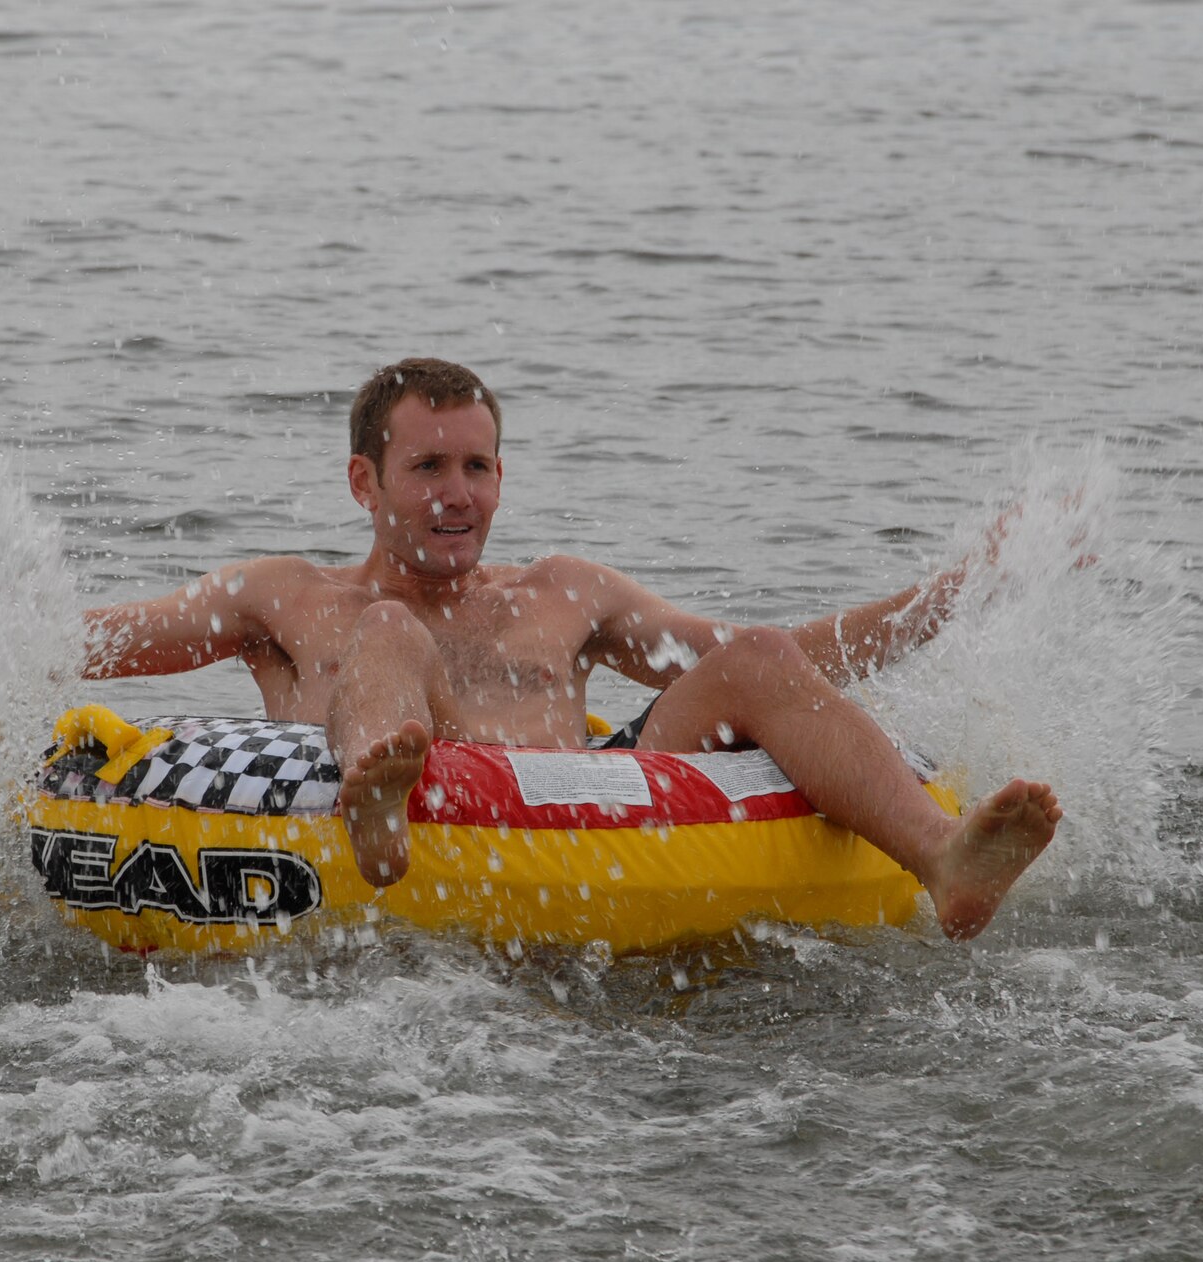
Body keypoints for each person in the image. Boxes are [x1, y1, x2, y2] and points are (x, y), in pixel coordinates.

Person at [66, 358, 1059, 940]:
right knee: (387, 630)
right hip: (402, 821)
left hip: (589, 826)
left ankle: (942, 858)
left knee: (753, 654)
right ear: (363, 483)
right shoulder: (285, 595)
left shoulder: (562, 593)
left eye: (476, 466)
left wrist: (954, 593)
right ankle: (379, 786)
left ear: (500, 474)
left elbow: (799, 661)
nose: (456, 493)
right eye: (425, 468)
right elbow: (95, 643)